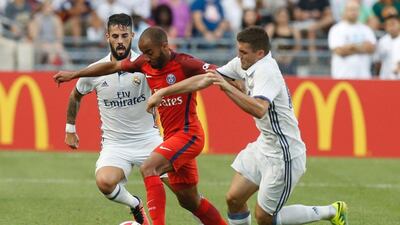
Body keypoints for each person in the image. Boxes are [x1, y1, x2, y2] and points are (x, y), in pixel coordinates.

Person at [145, 26, 348, 225]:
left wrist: (227, 87)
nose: (239, 56)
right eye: (238, 51)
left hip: (284, 153)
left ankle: (331, 211)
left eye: (243, 52)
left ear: (260, 53)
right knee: (234, 199)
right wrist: (163, 92)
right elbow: (208, 78)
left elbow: (259, 109)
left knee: (266, 218)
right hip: (264, 145)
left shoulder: (267, 71)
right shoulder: (244, 63)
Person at [53, 26, 227, 225]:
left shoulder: (184, 63)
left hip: (187, 134)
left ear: (164, 46)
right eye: (143, 53)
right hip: (167, 139)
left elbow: (214, 75)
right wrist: (75, 74)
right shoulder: (144, 63)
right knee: (190, 201)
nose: (146, 57)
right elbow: (111, 67)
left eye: (149, 52)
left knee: (149, 167)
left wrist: (163, 92)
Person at [63, 14, 162, 225]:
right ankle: (135, 204)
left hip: (149, 139)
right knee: (104, 182)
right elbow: (75, 95)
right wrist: (70, 129)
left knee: (183, 189)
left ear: (132, 36)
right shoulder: (95, 71)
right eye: (115, 36)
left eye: (124, 35)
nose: (120, 41)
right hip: (116, 144)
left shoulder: (146, 65)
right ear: (107, 36)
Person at [328, 0, 376, 79]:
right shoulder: (336, 29)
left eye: (356, 10)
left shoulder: (366, 29)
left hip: (363, 77)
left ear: (359, 12)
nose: (353, 12)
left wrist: (351, 47)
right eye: (351, 10)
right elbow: (339, 51)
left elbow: (371, 48)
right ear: (345, 11)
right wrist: (362, 47)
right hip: (342, 76)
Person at [374, 13, 400, 79]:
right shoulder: (382, 41)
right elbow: (377, 61)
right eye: (388, 25)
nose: (391, 27)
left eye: (393, 24)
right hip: (386, 78)